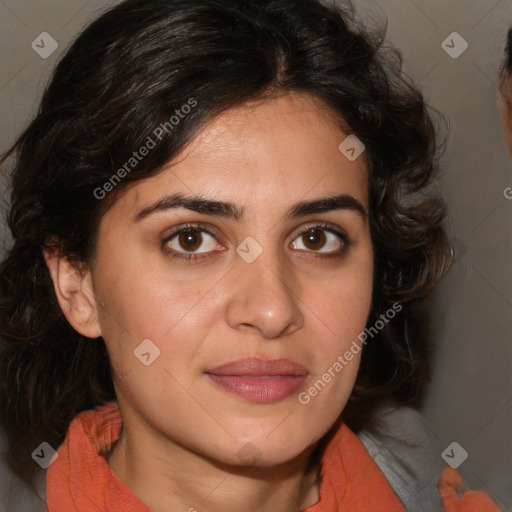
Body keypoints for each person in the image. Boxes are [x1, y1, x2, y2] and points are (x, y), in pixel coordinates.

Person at [0, 0, 503, 510]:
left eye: (316, 238)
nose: (271, 310)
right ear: (76, 284)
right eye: (191, 239)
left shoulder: (441, 484)